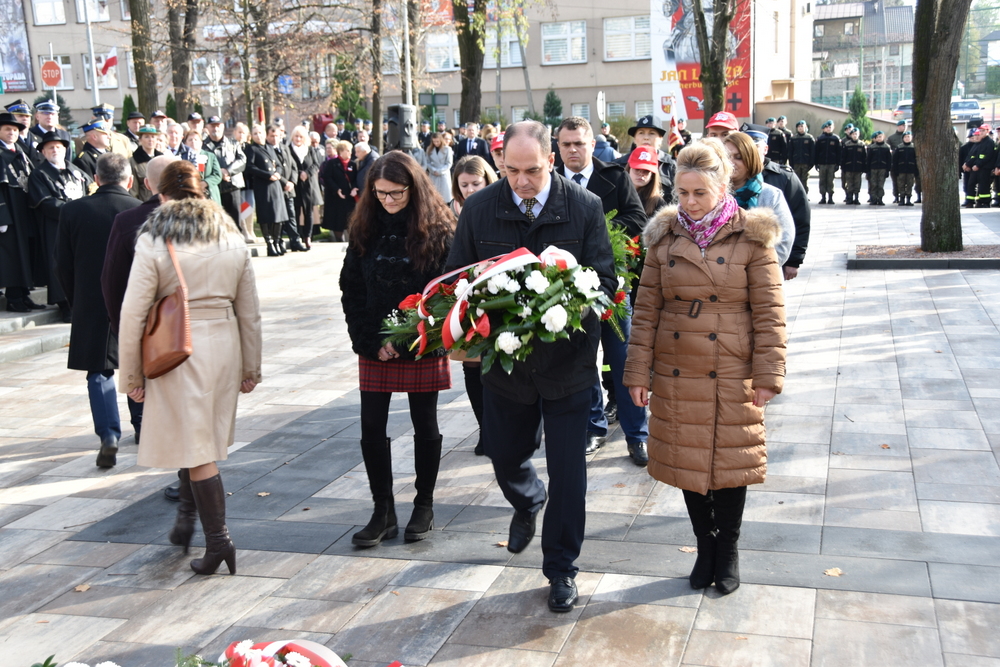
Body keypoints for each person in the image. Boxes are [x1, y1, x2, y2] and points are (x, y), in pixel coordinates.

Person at [447, 120, 616, 613]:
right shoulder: (480, 208)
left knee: (570, 474)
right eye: (512, 170)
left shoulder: (583, 208)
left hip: (568, 365)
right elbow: (458, 279)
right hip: (505, 369)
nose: (522, 181)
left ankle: (562, 568)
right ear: (500, 162)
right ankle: (526, 499)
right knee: (504, 455)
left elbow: (605, 281)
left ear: (552, 160)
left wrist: (565, 304)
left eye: (533, 171)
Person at [624, 139, 786, 596]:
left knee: (731, 461)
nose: (690, 203)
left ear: (723, 185)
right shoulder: (664, 236)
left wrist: (769, 375)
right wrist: (638, 372)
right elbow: (647, 310)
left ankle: (728, 549)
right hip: (678, 366)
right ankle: (704, 546)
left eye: (700, 193)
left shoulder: (752, 236)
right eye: (683, 193)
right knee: (688, 459)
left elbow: (770, 312)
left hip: (733, 367)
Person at [118, 160, 262, 576]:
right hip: (225, 344)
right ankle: (185, 520)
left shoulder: (154, 238)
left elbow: (133, 311)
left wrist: (131, 376)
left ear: (161, 196)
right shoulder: (230, 233)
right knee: (197, 435)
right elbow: (250, 310)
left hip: (180, 348)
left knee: (199, 448)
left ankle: (219, 542)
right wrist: (250, 366)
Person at [339, 151, 454, 548]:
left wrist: (410, 337)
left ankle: (424, 505)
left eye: (397, 194)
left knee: (425, 423)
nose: (388, 201)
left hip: (422, 339)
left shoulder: (438, 227)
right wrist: (371, 340)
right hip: (376, 342)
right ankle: (382, 510)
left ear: (414, 188)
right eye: (381, 193)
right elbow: (351, 289)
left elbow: (446, 292)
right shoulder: (364, 227)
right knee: (371, 424)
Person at [555, 116, 648, 465]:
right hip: (566, 286)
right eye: (566, 144)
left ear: (592, 144)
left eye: (579, 143)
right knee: (582, 362)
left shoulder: (614, 176)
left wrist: (600, 231)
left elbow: (637, 219)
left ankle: (637, 434)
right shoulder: (549, 182)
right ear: (558, 147)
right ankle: (593, 427)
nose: (573, 150)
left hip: (612, 283)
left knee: (622, 359)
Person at [56, 153, 142, 469]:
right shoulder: (139, 210)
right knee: (138, 364)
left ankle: (109, 435)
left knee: (98, 370)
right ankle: (142, 425)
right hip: (134, 299)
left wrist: (76, 299)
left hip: (91, 300)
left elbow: (61, 264)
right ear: (129, 180)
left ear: (96, 179)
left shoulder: (72, 210)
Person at [102, 154, 178, 456]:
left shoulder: (130, 222)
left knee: (164, 410)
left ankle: (188, 487)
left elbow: (113, 286)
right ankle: (191, 484)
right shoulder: (212, 219)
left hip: (153, 331)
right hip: (205, 330)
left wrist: (126, 336)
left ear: (146, 184)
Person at [446, 155, 497, 455]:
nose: (469, 190)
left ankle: (501, 428)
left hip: (497, 295)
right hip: (462, 296)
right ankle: (485, 430)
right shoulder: (448, 211)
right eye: (463, 185)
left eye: (475, 183)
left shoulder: (499, 205)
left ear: (488, 180)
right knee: (471, 364)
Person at [28, 130, 92, 323]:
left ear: (65, 149)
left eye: (58, 146)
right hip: (56, 227)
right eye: (50, 148)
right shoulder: (39, 174)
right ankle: (65, 305)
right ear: (43, 152)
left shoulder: (77, 172)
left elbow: (91, 191)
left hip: (80, 227)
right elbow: (45, 203)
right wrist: (74, 210)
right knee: (61, 264)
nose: (55, 150)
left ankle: (82, 300)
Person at [740, 125, 810, 281]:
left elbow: (800, 218)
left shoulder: (784, 177)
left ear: (765, 149)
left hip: (772, 264)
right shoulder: (731, 178)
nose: (749, 152)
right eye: (746, 148)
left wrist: (794, 259)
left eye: (755, 147)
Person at [722, 133, 794, 266]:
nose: (731, 162)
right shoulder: (711, 194)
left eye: (738, 157)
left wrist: (755, 270)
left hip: (759, 277)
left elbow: (784, 242)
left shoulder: (771, 195)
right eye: (726, 157)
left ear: (750, 159)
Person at [0, 111, 44, 313]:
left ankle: (24, 294)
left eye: (15, 130)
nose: (12, 133)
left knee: (25, 251)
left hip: (23, 209)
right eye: (7, 129)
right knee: (12, 254)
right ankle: (13, 297)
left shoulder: (21, 152)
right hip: (9, 211)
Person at [245, 123, 290, 256]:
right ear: (252, 136)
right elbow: (250, 167)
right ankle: (269, 243)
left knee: (278, 215)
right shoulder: (252, 149)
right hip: (263, 185)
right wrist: (267, 175)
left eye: (260, 132)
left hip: (275, 184)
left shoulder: (270, 148)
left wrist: (277, 173)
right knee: (266, 215)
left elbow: (279, 164)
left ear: (265, 134)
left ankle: (276, 241)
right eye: (255, 133)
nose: (258, 136)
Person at [204, 116, 250, 241]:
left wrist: (227, 171)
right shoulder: (203, 146)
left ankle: (237, 247)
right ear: (207, 128)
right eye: (212, 125)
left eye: (218, 125)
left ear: (223, 126)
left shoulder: (233, 143)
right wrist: (218, 173)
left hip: (232, 186)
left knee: (235, 220)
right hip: (213, 188)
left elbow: (242, 160)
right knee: (215, 221)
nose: (215, 128)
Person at [614, 115, 676, 197]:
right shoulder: (618, 165)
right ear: (635, 139)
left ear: (660, 139)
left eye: (652, 133)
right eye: (641, 133)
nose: (646, 137)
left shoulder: (672, 165)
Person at [289, 125, 323, 248]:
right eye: (296, 136)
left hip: (309, 185)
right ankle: (296, 236)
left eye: (301, 137)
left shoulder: (310, 149)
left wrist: (307, 173)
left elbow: (316, 164)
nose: (298, 139)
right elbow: (288, 165)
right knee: (296, 212)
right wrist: (298, 174)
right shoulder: (288, 149)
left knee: (308, 212)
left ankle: (307, 237)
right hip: (296, 185)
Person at [320, 140, 357, 242]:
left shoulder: (353, 164)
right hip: (335, 197)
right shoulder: (332, 163)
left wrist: (354, 188)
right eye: (348, 150)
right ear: (341, 151)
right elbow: (327, 177)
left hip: (348, 196)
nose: (350, 153)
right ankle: (338, 239)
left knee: (349, 218)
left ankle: (351, 240)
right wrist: (336, 189)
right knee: (337, 219)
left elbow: (355, 179)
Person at [184, 130, 223, 205]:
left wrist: (205, 183)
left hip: (209, 195)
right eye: (190, 140)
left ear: (201, 143)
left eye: (196, 139)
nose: (193, 142)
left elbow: (217, 175)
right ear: (185, 143)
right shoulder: (183, 157)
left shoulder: (210, 156)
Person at [626, 148, 667, 217]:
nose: (641, 174)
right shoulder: (616, 195)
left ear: (652, 175)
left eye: (646, 171)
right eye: (637, 169)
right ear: (628, 169)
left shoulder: (658, 203)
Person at [130, 126, 165, 203]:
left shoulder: (163, 159)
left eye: (153, 137)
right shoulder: (133, 161)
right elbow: (133, 191)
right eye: (146, 137)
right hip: (144, 204)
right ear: (140, 140)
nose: (151, 140)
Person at [965, 124, 996, 208]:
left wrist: (978, 165)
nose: (981, 133)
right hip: (976, 168)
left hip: (985, 168)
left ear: (987, 131)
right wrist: (969, 164)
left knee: (984, 185)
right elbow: (974, 156)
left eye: (983, 131)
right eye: (980, 131)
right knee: (971, 184)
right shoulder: (979, 143)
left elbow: (988, 156)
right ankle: (972, 201)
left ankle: (984, 202)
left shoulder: (989, 142)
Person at [814, 120, 841, 205]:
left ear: (833, 128)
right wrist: (816, 163)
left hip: (831, 163)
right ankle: (823, 197)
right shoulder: (820, 138)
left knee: (830, 180)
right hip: (822, 163)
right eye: (827, 127)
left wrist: (838, 164)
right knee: (822, 180)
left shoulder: (836, 139)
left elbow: (839, 152)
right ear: (824, 129)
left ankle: (830, 197)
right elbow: (816, 152)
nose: (828, 129)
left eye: (830, 127)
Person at [840, 126, 866, 205]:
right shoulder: (847, 144)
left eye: (856, 134)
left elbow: (864, 157)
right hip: (848, 167)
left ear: (859, 135)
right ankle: (849, 198)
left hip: (858, 168)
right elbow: (843, 157)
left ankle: (856, 198)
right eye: (853, 134)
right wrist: (843, 167)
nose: (855, 135)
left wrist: (863, 168)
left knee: (857, 183)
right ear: (851, 135)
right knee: (849, 183)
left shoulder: (861, 144)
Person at [892, 130, 918, 206]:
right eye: (905, 137)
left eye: (908, 137)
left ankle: (908, 200)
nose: (907, 138)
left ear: (911, 138)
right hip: (901, 170)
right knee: (901, 185)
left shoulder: (914, 147)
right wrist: (895, 170)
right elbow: (895, 160)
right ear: (903, 138)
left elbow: (916, 159)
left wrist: (916, 170)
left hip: (911, 170)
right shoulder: (899, 147)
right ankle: (902, 199)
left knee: (910, 185)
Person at [866, 131, 892, 206]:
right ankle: (873, 199)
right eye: (877, 137)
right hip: (873, 168)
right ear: (875, 138)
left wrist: (888, 170)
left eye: (880, 137)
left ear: (883, 137)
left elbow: (889, 160)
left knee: (880, 185)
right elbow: (868, 159)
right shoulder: (872, 147)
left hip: (882, 169)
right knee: (873, 184)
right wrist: (868, 171)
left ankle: (880, 199)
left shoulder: (886, 147)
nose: (879, 138)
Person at [788, 121, 815, 194]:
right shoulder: (793, 138)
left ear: (806, 127)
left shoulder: (809, 137)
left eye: (802, 126)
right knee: (796, 180)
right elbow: (790, 151)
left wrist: (811, 162)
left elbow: (812, 151)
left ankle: (805, 194)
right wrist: (791, 162)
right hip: (796, 162)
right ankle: (797, 195)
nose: (800, 128)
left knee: (805, 180)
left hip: (806, 162)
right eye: (799, 126)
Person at [426, 133, 454, 203]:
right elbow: (427, 162)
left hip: (444, 174)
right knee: (434, 196)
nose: (436, 143)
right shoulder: (429, 149)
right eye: (434, 141)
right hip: (433, 174)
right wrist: (433, 170)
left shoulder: (447, 149)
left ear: (441, 140)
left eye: (438, 141)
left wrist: (440, 171)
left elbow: (449, 163)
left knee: (445, 197)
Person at [886, 120, 907, 203]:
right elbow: (888, 151)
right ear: (898, 126)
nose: (904, 127)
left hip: (906, 163)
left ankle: (905, 196)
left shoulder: (909, 136)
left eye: (905, 125)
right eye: (903, 125)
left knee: (906, 181)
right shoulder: (891, 138)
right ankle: (896, 196)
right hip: (895, 163)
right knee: (895, 181)